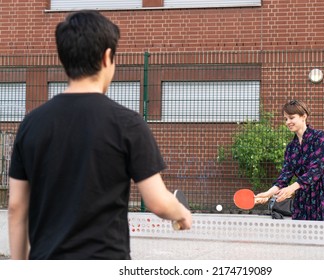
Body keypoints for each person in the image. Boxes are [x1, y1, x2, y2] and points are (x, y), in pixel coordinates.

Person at [8, 10, 191, 260]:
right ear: (107, 57)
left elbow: (17, 208)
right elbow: (158, 202)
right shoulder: (128, 123)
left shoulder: (31, 124)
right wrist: (180, 212)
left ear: (64, 58)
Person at [254, 100, 324, 221]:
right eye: (286, 119)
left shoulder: (320, 137)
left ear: (304, 116)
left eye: (291, 118)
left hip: (321, 198)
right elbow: (285, 176)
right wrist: (268, 194)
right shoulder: (290, 147)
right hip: (301, 201)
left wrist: (291, 188)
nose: (288, 122)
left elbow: (317, 169)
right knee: (301, 238)